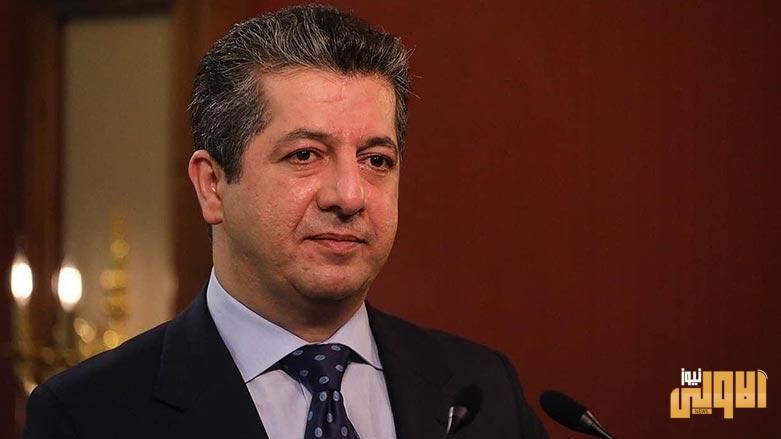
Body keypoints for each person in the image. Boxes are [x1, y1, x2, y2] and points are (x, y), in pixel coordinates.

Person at [23, 5, 547, 439]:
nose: (349, 196)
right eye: (305, 155)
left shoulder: (483, 390)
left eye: (376, 160)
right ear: (212, 186)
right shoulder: (88, 415)